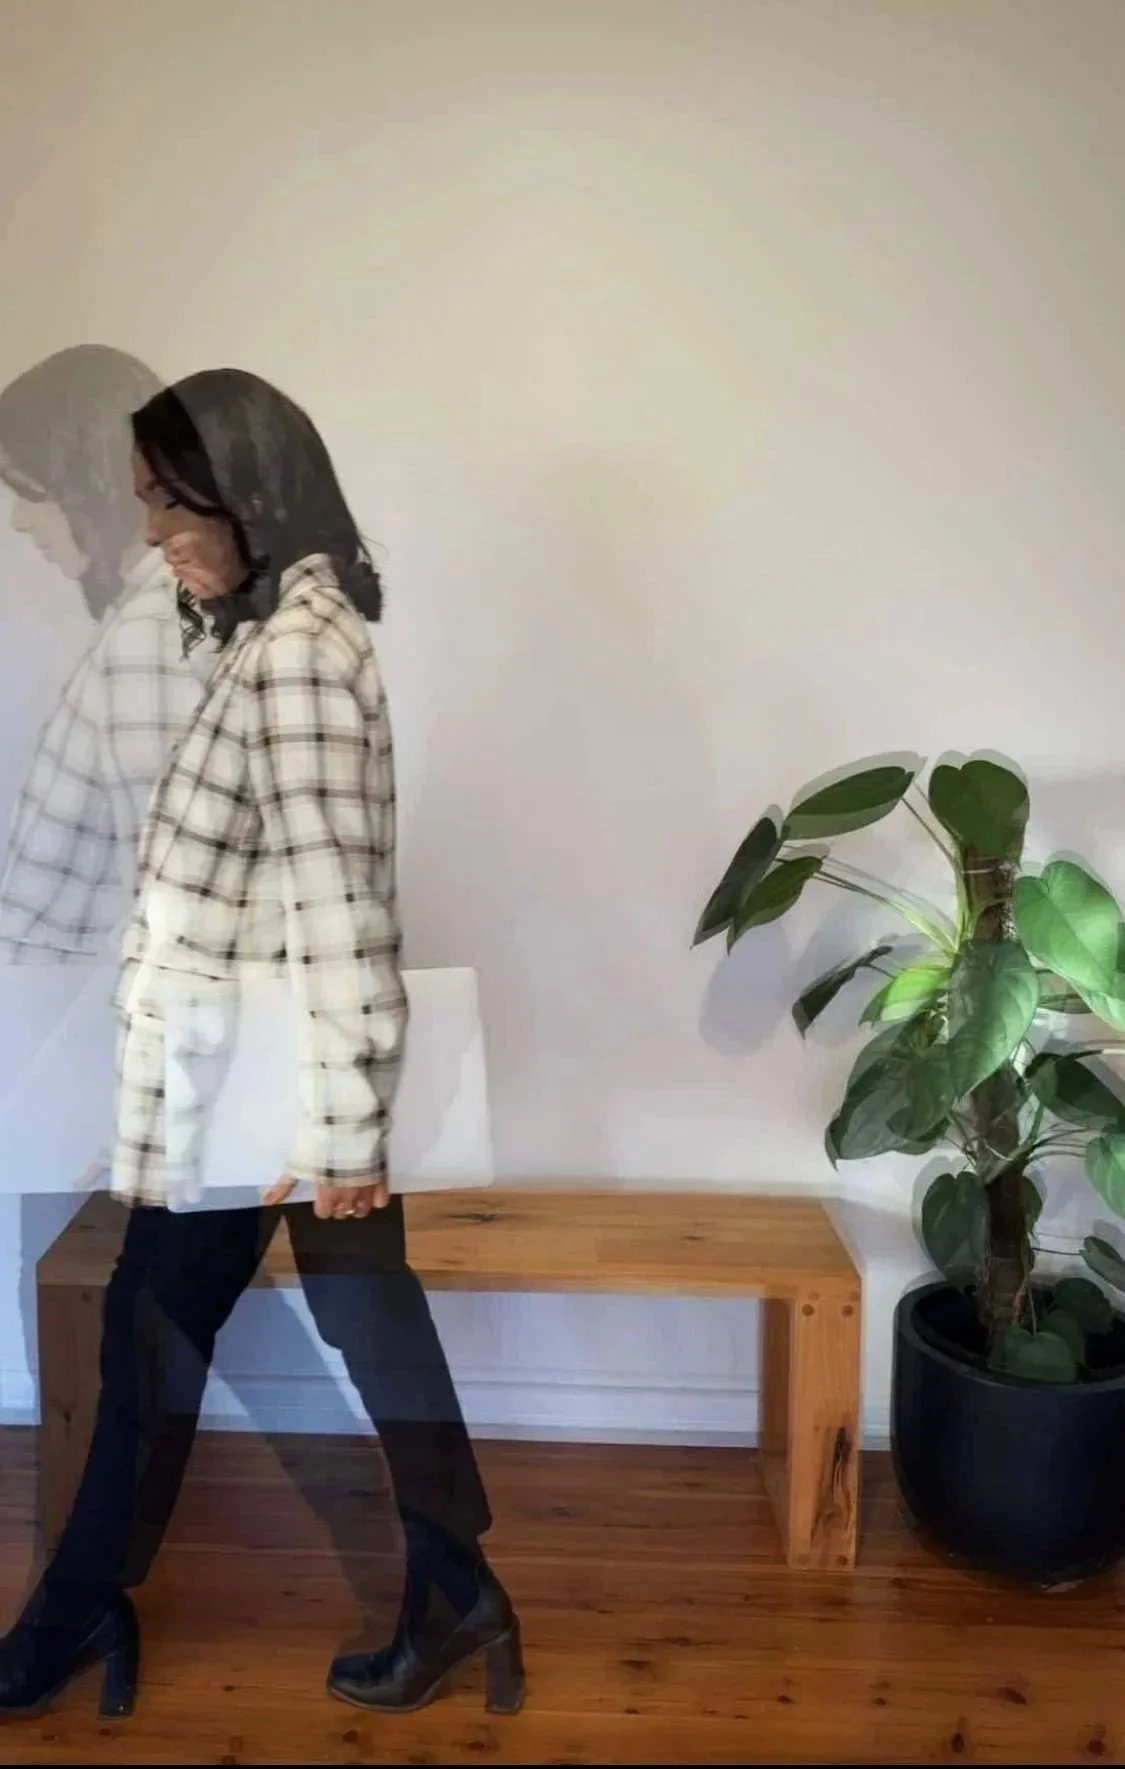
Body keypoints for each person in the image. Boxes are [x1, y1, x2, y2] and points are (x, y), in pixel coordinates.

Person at [0, 368, 524, 1721]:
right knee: (337, 1321)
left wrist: (346, 1136)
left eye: (174, 508)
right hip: (267, 1070)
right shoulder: (269, 630)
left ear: (250, 494)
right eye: (144, 508)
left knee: (153, 1331)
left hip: (264, 1083)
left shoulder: (294, 653)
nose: (156, 536)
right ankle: (451, 1586)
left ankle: (76, 1609)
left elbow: (343, 892)